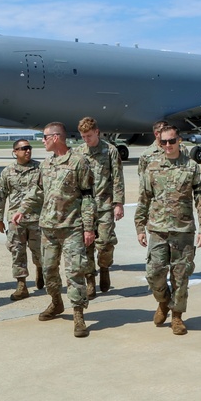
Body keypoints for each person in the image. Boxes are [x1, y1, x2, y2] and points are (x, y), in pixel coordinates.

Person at [12, 122, 96, 338]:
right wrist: (22, 209)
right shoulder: (46, 165)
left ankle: (78, 315)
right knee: (49, 270)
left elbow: (88, 197)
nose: (42, 141)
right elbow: (37, 191)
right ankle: (56, 303)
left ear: (56, 137)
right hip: (48, 228)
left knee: (74, 272)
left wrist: (88, 228)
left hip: (72, 228)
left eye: (45, 137)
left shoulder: (79, 161)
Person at [134, 125, 201, 336]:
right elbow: (144, 199)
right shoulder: (152, 167)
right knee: (154, 273)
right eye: (164, 142)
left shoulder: (192, 167)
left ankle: (176, 316)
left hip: (183, 230)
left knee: (181, 276)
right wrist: (139, 226)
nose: (168, 145)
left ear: (179, 141)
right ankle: (163, 301)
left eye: (172, 141)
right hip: (158, 229)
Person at [77, 117, 125, 297]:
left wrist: (118, 203)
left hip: (104, 205)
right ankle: (90, 279)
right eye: (83, 136)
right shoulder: (79, 152)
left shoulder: (110, 151)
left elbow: (118, 178)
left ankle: (104, 267)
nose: (86, 140)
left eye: (89, 136)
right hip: (84, 206)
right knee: (86, 244)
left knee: (105, 243)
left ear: (97, 132)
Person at [0, 138, 43, 300]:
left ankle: (40, 270)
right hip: (16, 221)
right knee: (17, 251)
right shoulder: (7, 172)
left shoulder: (40, 168)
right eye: (23, 148)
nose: (27, 151)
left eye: (29, 148)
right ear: (15, 152)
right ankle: (21, 285)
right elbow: (0, 196)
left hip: (37, 218)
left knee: (40, 251)